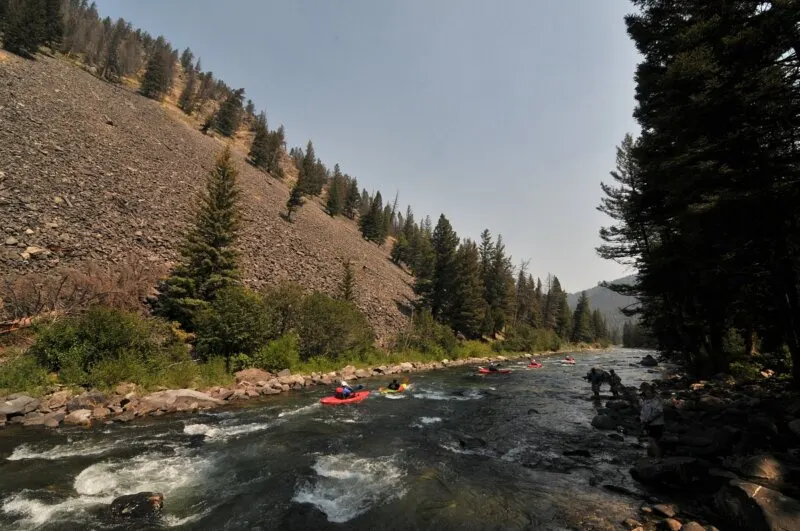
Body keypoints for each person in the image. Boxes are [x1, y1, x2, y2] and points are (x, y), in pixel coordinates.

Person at [639, 382, 664, 460]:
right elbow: (643, 412)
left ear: (653, 393)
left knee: (652, 440)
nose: (648, 395)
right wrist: (642, 420)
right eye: (646, 393)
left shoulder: (656, 401)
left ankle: (658, 458)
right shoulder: (646, 401)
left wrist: (649, 419)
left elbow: (658, 411)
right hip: (649, 424)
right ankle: (652, 457)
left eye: (649, 393)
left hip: (656, 424)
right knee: (652, 441)